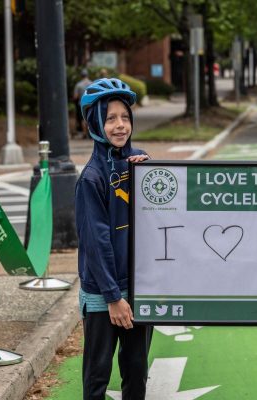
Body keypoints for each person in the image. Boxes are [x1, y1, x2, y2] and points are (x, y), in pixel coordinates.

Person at [76, 77, 152, 400]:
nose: (120, 126)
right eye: (110, 119)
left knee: (136, 370)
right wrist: (112, 297)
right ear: (95, 123)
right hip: (103, 294)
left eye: (125, 117)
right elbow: (96, 242)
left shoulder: (140, 166)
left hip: (137, 287)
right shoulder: (91, 179)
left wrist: (152, 174)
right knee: (98, 375)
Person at [72, 69, 92, 138]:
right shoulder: (92, 83)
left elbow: (75, 96)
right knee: (90, 118)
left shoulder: (78, 85)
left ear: (81, 76)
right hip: (91, 103)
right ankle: (91, 133)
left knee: (83, 119)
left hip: (82, 104)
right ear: (87, 75)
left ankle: (84, 133)